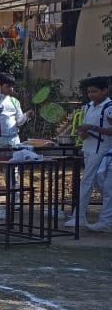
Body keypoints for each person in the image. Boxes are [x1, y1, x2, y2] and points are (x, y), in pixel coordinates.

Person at [68, 76, 112, 231]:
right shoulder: (88, 107)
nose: (91, 94)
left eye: (95, 91)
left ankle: (81, 217)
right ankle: (82, 216)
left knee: (94, 184)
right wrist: (83, 133)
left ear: (105, 91)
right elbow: (86, 131)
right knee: (97, 184)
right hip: (89, 149)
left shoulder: (109, 107)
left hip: (105, 152)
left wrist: (92, 128)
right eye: (89, 92)